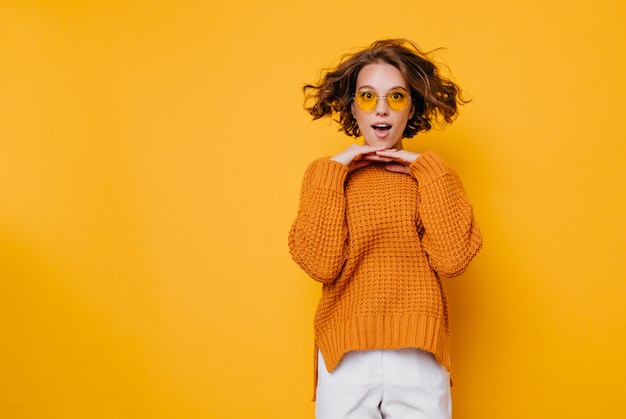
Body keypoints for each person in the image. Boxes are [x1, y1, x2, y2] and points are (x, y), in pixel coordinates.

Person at [288, 39, 483, 419]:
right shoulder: (327, 175)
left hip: (418, 355)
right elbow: (320, 264)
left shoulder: (431, 178)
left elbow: (454, 258)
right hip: (345, 359)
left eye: (395, 97)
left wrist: (428, 170)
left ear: (412, 107)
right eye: (367, 96)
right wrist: (334, 169)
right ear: (352, 107)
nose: (381, 108)